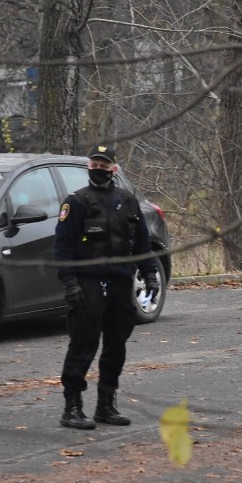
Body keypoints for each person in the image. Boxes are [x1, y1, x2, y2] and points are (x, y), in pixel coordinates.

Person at [54, 144, 160, 429]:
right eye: (94, 164)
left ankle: (106, 405)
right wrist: (70, 283)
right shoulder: (76, 202)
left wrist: (150, 275)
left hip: (120, 284)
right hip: (88, 283)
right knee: (83, 345)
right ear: (88, 166)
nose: (99, 169)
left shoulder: (127, 201)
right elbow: (62, 248)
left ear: (114, 168)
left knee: (116, 347)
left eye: (104, 165)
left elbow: (141, 245)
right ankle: (72, 407)